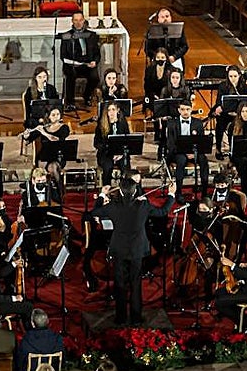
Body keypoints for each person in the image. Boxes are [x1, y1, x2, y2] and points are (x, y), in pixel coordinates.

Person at [89, 177, 177, 325]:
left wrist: (102, 196)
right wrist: (171, 194)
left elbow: (94, 212)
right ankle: (136, 318)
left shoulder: (113, 206)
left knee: (120, 283)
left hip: (119, 250)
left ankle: (121, 317)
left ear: (121, 192)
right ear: (135, 190)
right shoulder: (143, 205)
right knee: (136, 283)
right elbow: (163, 211)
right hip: (137, 250)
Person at [165, 98, 209, 196]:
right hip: (178, 152)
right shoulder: (172, 123)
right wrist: (185, 153)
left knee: (203, 160)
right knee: (181, 161)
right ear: (179, 110)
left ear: (191, 109)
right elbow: (170, 144)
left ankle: (204, 192)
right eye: (183, 109)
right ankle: (179, 192)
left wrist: (194, 153)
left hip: (194, 151)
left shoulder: (198, 123)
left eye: (188, 109)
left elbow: (201, 141)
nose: (185, 112)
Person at [60, 10, 102, 109]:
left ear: (84, 21)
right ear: (72, 21)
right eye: (76, 20)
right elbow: (63, 56)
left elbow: (97, 53)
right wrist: (77, 63)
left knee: (95, 77)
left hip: (88, 64)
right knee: (70, 75)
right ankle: (70, 102)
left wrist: (94, 62)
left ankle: (87, 96)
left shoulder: (91, 35)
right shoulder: (66, 36)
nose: (78, 23)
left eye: (80, 20)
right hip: (72, 65)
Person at [15, 307, 64, 371]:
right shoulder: (57, 339)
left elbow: (20, 361)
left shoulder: (26, 340)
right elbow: (62, 359)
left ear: (32, 324)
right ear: (47, 322)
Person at [94, 101, 131, 183]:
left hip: (120, 153)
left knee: (125, 168)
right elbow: (97, 143)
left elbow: (127, 140)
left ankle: (124, 190)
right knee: (107, 167)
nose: (111, 112)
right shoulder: (101, 124)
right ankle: (106, 190)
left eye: (113, 109)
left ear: (118, 110)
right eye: (109, 110)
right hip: (106, 154)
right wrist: (110, 152)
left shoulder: (123, 122)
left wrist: (121, 153)